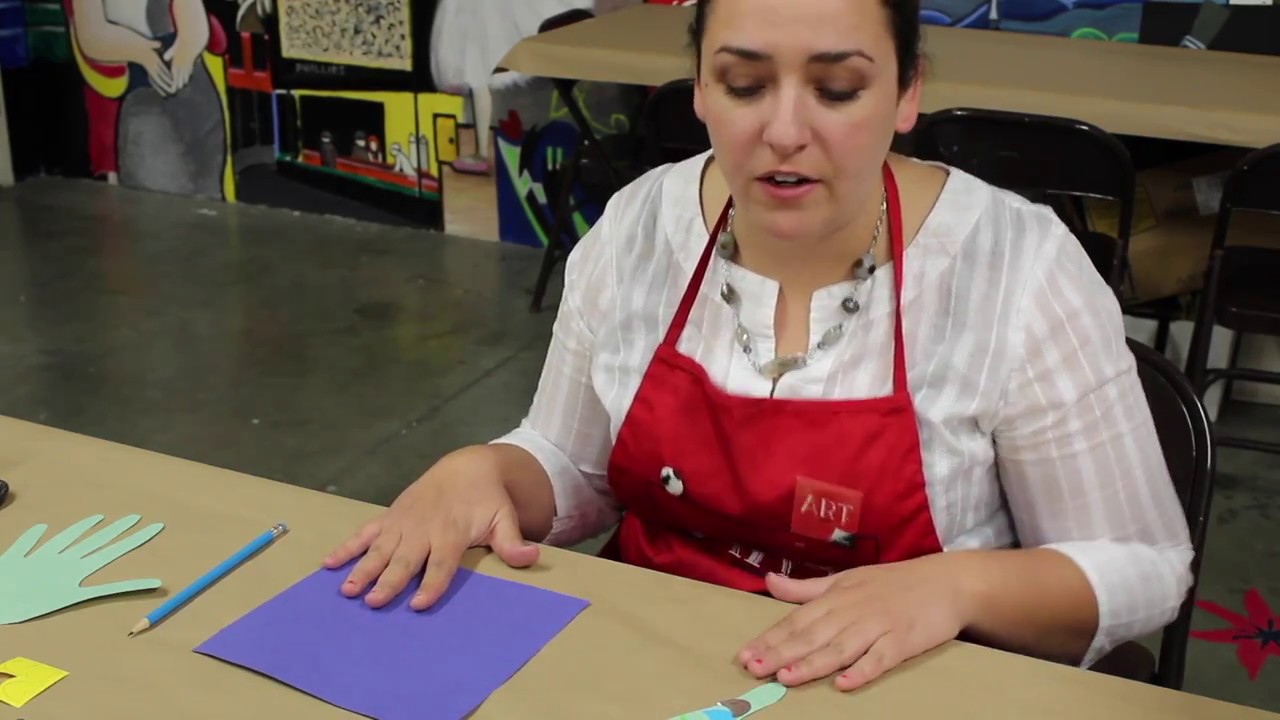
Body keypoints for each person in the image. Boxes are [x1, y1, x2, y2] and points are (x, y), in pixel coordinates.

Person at [326, 0, 1193, 692]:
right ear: (701, 90)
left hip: (896, 685)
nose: (784, 131)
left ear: (907, 93)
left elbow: (1141, 567)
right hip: (646, 664)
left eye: (837, 90)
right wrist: (485, 471)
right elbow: (573, 464)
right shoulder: (640, 230)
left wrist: (957, 586)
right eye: (744, 84)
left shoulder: (1015, 270)